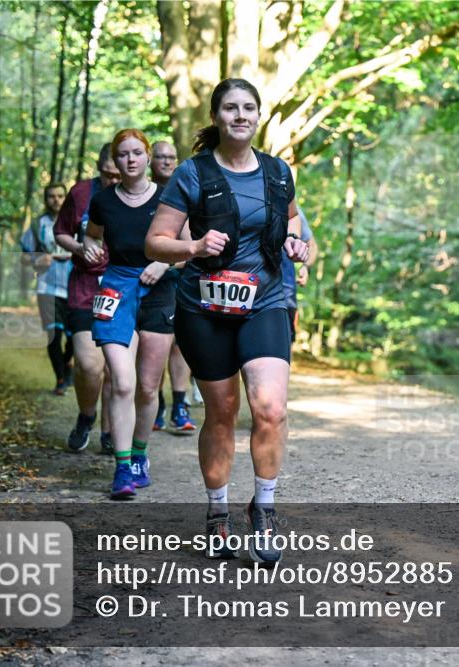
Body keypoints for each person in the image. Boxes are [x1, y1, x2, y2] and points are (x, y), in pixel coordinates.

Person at [146, 78, 309, 563]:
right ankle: (218, 513)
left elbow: (296, 222)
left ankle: (265, 506)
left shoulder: (278, 173)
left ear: (259, 116)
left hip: (266, 300)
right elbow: (156, 241)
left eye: (249, 108)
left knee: (270, 408)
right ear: (216, 117)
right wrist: (193, 247)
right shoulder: (192, 174)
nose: (240, 115)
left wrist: (298, 244)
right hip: (205, 306)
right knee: (220, 412)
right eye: (231, 108)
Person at [85, 128, 176, 499]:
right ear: (115, 161)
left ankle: (140, 454)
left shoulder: (170, 197)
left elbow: (190, 244)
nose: (131, 160)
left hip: (159, 288)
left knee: (148, 386)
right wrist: (90, 248)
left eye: (138, 152)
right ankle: (122, 468)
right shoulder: (104, 201)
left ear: (149, 156)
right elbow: (92, 234)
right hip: (117, 288)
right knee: (121, 381)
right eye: (123, 154)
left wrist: (166, 264)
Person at [54, 144, 119, 453]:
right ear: (100, 165)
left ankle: (109, 432)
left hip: (123, 288)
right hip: (85, 285)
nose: (114, 178)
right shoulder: (81, 193)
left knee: (113, 367)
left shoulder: (143, 195)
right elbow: (61, 232)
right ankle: (86, 416)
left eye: (119, 172)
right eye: (108, 172)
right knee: (88, 365)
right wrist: (79, 247)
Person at [150, 140, 197, 433]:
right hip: (143, 284)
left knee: (180, 346)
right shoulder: (141, 193)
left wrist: (164, 264)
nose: (166, 162)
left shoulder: (186, 192)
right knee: (153, 348)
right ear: (149, 160)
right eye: (160, 157)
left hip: (179, 281)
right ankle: (156, 404)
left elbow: (190, 246)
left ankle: (181, 406)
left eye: (171, 158)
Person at [20, 182, 74, 394]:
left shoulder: (77, 222)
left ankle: (67, 363)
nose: (56, 200)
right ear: (46, 199)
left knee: (74, 337)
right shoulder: (37, 225)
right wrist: (36, 259)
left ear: (66, 198)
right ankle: (60, 379)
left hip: (75, 286)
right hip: (47, 287)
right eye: (52, 196)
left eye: (60, 196)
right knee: (53, 335)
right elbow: (24, 256)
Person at [283, 204, 318, 348]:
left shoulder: (292, 210)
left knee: (282, 346)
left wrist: (306, 267)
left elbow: (312, 246)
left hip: (284, 293)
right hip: (241, 284)